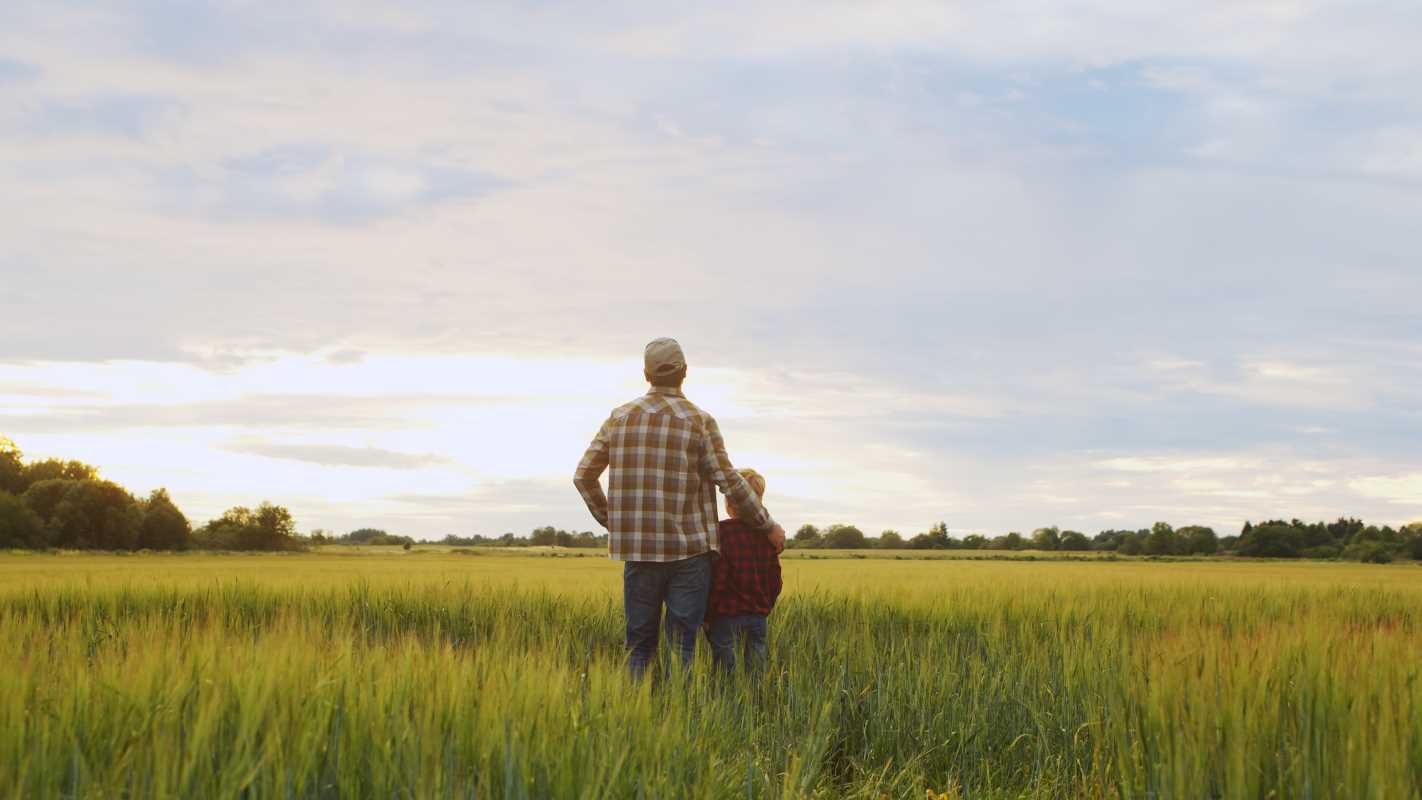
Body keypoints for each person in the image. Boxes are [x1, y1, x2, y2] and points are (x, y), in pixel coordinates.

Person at [574, 338, 786, 677]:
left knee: (639, 645)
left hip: (639, 552)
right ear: (685, 372)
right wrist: (767, 525)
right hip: (690, 556)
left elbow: (583, 476)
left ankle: (638, 707)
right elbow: (730, 481)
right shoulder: (700, 421)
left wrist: (614, 522)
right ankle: (678, 706)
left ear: (646, 374)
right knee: (681, 646)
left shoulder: (619, 418)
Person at [705, 467, 781, 673]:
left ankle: (726, 694)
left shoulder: (721, 533)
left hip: (725, 616)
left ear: (728, 502)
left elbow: (717, 579)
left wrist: (708, 614)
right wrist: (764, 607)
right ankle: (756, 695)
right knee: (756, 673)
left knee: (725, 673)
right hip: (758, 616)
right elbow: (775, 581)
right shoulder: (767, 535)